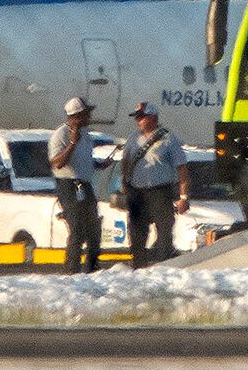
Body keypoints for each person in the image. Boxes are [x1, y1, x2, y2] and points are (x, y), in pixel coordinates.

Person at [116, 101, 190, 265]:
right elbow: (126, 162)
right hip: (137, 193)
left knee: (164, 231)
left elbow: (182, 169)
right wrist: (125, 183)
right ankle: (138, 265)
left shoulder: (168, 139)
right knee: (137, 232)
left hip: (159, 192)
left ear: (153, 117)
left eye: (142, 117)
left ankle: (163, 266)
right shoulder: (133, 138)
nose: (138, 121)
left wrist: (183, 196)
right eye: (137, 118)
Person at [47, 96, 109, 273]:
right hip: (68, 185)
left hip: (84, 185)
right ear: (76, 116)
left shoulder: (86, 135)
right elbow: (57, 163)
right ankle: (71, 271)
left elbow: (84, 161)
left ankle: (91, 268)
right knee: (77, 228)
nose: (89, 117)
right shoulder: (61, 135)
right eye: (86, 114)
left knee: (94, 229)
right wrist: (72, 143)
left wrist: (99, 164)